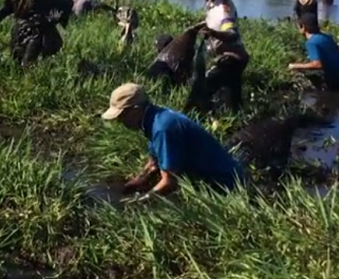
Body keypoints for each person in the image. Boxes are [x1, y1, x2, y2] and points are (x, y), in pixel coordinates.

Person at [101, 83, 244, 200]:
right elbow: (153, 163)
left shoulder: (163, 128)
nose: (120, 122)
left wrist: (141, 200)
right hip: (206, 179)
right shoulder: (153, 119)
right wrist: (137, 182)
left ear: (136, 110)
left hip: (226, 186)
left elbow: (169, 182)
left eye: (122, 116)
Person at [188, 0, 249, 112]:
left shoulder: (223, 9)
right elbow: (212, 22)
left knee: (205, 87)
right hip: (225, 57)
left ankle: (203, 117)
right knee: (232, 96)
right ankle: (234, 118)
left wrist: (212, 33)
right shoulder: (212, 2)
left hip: (232, 58)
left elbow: (231, 34)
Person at [288, 13, 339, 92]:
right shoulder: (326, 37)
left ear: (303, 27)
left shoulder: (311, 43)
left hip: (333, 81)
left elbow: (317, 64)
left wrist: (295, 66)